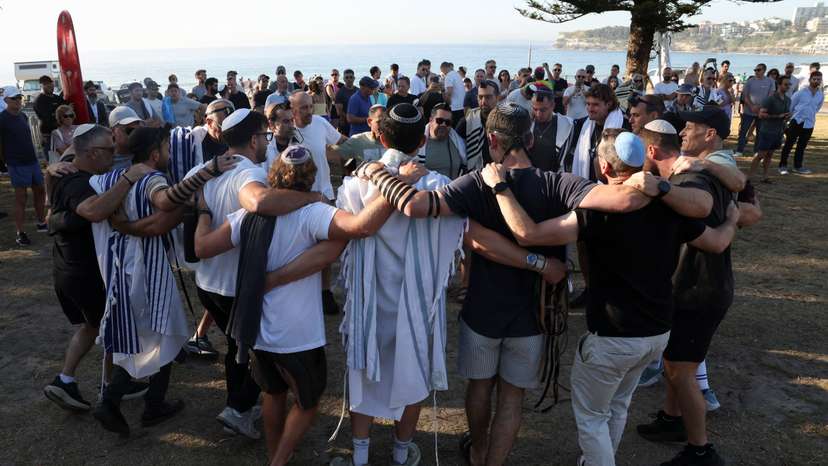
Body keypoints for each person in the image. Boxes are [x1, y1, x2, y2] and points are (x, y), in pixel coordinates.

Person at [362, 102, 653, 466]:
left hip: (482, 308)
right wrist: (650, 181)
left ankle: (479, 451)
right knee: (512, 397)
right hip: (532, 315)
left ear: (491, 139)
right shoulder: (556, 182)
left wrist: (377, 171)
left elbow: (414, 206)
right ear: (530, 139)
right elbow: (622, 198)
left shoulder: (473, 183)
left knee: (480, 389)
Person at [478, 129, 740, 466]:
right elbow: (717, 242)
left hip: (613, 337)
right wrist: (732, 220)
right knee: (618, 405)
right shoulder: (671, 207)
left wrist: (499, 187)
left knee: (591, 417)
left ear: (603, 167)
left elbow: (527, 234)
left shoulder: (596, 213)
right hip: (657, 334)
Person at [194, 143, 395, 466]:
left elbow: (202, 247)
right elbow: (363, 227)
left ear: (273, 175)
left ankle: (277, 455)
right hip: (297, 333)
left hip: (255, 327)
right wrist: (395, 183)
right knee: (308, 401)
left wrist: (203, 212)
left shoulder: (246, 215)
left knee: (273, 393)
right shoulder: (313, 212)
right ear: (311, 177)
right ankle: (279, 461)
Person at [330, 103, 466, 466]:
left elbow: (345, 232)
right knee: (413, 365)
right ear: (422, 138)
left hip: (369, 295)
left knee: (363, 369)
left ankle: (359, 455)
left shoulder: (355, 183)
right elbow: (458, 233)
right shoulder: (437, 186)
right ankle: (401, 453)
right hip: (417, 301)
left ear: (378, 134)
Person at [87, 123, 241, 436]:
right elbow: (164, 201)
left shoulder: (112, 177)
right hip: (147, 265)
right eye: (167, 149)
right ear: (156, 153)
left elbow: (90, 182)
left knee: (153, 334)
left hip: (122, 263)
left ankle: (145, 401)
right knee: (161, 333)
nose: (170, 154)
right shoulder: (152, 176)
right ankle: (122, 402)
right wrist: (206, 172)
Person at [184, 109, 324, 438]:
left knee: (236, 347)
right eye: (264, 136)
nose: (265, 142)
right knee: (248, 351)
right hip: (236, 284)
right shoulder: (249, 174)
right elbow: (259, 203)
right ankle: (240, 409)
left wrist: (204, 214)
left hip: (207, 281)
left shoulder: (204, 170)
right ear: (252, 140)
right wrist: (312, 198)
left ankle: (240, 407)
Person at [636, 107, 744, 466]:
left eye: (691, 127)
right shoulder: (698, 169)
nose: (684, 132)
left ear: (710, 134)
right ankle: (671, 419)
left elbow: (741, 200)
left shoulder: (706, 176)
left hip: (701, 288)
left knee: (683, 370)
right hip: (689, 286)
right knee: (672, 361)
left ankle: (701, 450)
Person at [43, 124, 154, 413]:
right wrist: (129, 179)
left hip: (70, 268)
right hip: (83, 271)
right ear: (92, 153)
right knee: (108, 326)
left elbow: (51, 210)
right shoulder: (76, 182)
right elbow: (94, 211)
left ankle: (69, 380)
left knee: (94, 326)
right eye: (109, 149)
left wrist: (51, 169)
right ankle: (104, 387)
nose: (115, 153)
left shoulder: (70, 173)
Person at [1, 86, 48, 245]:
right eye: (14, 98)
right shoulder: (2, 119)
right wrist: (6, 163)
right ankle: (20, 232)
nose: (18, 101)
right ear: (6, 100)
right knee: (21, 198)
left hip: (32, 160)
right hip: (16, 163)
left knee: (40, 191)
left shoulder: (22, 116)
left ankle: (41, 222)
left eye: (19, 98)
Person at [568, 84, 626, 181]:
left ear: (609, 104)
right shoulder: (583, 126)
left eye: (595, 105)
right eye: (588, 104)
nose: (590, 109)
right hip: (587, 185)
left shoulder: (623, 127)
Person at [779, 71, 822, 175]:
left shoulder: (820, 95)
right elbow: (791, 105)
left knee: (801, 146)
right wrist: (790, 117)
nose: (816, 81)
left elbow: (817, 108)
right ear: (810, 79)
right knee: (789, 144)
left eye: (818, 79)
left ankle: (797, 166)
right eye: (814, 79)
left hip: (809, 123)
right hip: (797, 121)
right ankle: (782, 166)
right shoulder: (801, 92)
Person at [749, 76, 791, 183]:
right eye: (786, 84)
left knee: (770, 155)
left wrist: (787, 117)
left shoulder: (788, 100)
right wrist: (778, 116)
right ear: (779, 85)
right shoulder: (770, 99)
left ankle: (765, 176)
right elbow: (761, 115)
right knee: (760, 155)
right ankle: (749, 177)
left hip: (778, 132)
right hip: (767, 131)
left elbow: (784, 116)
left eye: (789, 84)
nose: (788, 86)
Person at [527, 82, 574, 172]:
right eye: (535, 109)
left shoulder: (567, 125)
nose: (538, 114)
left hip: (554, 178)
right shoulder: (527, 124)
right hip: (531, 176)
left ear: (553, 106)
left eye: (543, 110)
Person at [455, 79, 498, 171]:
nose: (483, 101)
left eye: (488, 97)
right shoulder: (467, 121)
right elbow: (455, 145)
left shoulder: (506, 120)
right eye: (480, 97)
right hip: (475, 172)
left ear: (497, 98)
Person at [419, 102, 467, 179]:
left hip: (453, 189)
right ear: (431, 120)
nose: (443, 125)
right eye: (439, 121)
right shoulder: (418, 144)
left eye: (447, 122)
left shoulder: (457, 142)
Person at [736, 63, 775, 156]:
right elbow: (745, 95)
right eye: (755, 70)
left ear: (764, 70)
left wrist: (761, 107)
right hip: (748, 111)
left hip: (761, 112)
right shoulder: (750, 81)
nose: (756, 72)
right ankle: (739, 150)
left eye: (758, 70)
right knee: (743, 131)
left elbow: (771, 96)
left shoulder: (770, 81)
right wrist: (752, 106)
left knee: (760, 132)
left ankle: (756, 151)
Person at [33, 75, 66, 159]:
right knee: (53, 160)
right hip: (49, 135)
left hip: (61, 133)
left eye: (50, 83)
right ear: (42, 86)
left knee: (65, 159)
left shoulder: (57, 98)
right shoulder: (39, 101)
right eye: (45, 84)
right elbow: (47, 119)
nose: (49, 86)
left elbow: (67, 108)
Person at [107, 106, 144, 171]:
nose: (134, 134)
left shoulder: (146, 154)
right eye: (129, 130)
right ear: (113, 131)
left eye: (137, 130)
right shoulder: (103, 162)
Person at [334, 69, 358, 135]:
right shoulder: (340, 93)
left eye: (351, 77)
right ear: (344, 79)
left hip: (358, 124)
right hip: (345, 125)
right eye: (347, 77)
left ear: (354, 78)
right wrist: (351, 118)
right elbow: (339, 112)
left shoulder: (358, 91)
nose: (349, 79)